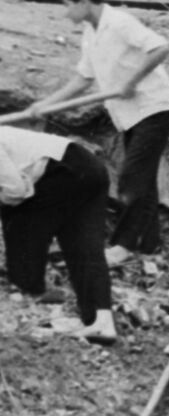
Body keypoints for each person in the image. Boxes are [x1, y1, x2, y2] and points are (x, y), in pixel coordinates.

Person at [36, 0, 169, 265]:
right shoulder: (90, 33)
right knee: (144, 181)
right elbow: (82, 79)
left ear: (84, 2)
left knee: (131, 179)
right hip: (128, 115)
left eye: (67, 5)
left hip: (154, 108)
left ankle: (122, 246)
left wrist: (132, 81)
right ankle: (150, 246)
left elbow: (160, 47)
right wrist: (45, 104)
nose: (65, 13)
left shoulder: (120, 23)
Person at [0, 125, 116, 343]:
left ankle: (26, 293)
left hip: (66, 168)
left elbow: (16, 191)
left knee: (18, 217)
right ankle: (101, 321)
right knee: (82, 246)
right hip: (88, 167)